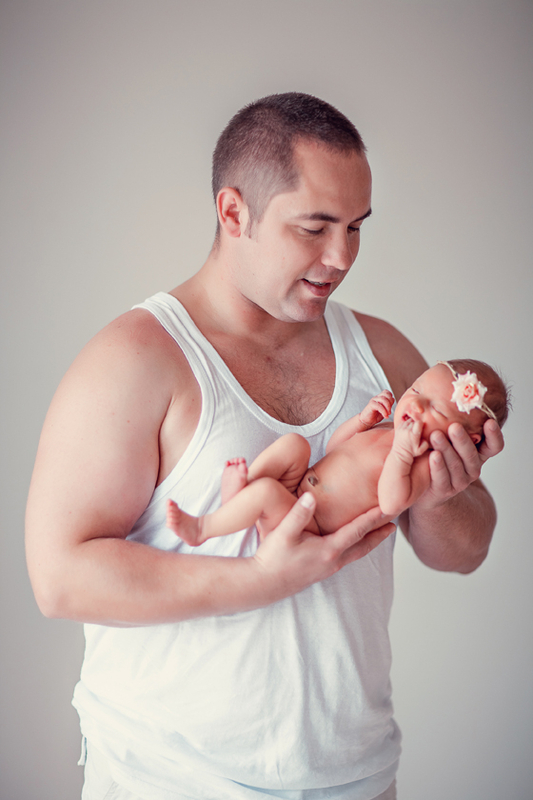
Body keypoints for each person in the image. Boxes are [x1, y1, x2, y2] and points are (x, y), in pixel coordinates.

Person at [25, 93, 504, 800]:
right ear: (233, 213)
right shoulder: (134, 360)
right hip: (169, 781)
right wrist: (261, 580)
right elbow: (60, 578)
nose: (341, 257)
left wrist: (440, 498)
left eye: (355, 227)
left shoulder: (385, 354)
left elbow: (465, 552)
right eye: (314, 227)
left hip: (356, 778)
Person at [166, 361, 510, 545]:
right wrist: (362, 421)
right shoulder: (389, 429)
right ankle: (243, 492)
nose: (416, 404)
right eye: (416, 389)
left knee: (268, 493)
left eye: (435, 408)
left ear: (466, 438)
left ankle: (203, 528)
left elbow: (391, 503)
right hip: (299, 486)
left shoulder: (420, 464)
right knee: (295, 444)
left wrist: (403, 455)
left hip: (307, 523)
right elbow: (335, 449)